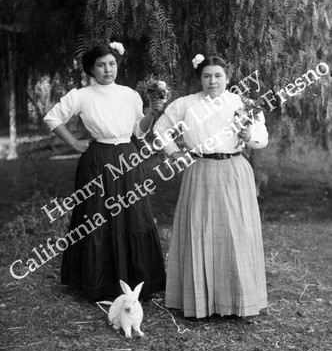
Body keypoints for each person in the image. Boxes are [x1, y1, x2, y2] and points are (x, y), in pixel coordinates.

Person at [43, 42, 166, 301]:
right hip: (98, 160)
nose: (107, 69)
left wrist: (152, 113)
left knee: (134, 215)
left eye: (111, 64)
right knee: (97, 215)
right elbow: (52, 118)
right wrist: (75, 143)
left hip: (128, 157)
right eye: (100, 65)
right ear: (91, 69)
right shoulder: (81, 95)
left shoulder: (130, 94)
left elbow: (139, 131)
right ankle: (97, 284)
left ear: (117, 65)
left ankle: (137, 281)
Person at [153, 54, 268, 318]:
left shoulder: (243, 103)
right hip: (200, 170)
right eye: (207, 76)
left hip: (235, 170)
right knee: (200, 230)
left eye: (218, 75)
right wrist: (173, 153)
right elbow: (160, 128)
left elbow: (262, 138)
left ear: (227, 77)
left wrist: (249, 135)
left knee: (235, 231)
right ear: (200, 78)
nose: (212, 81)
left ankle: (237, 300)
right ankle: (200, 301)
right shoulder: (186, 104)